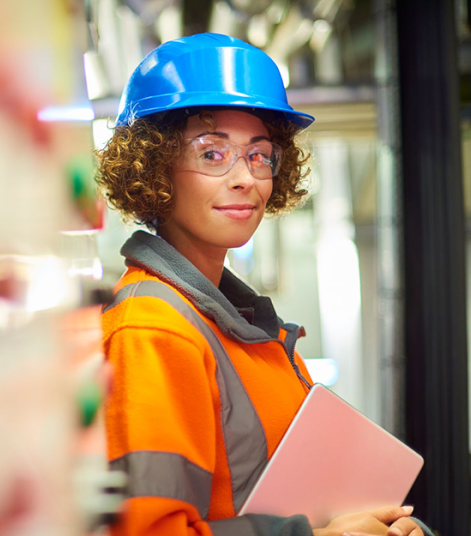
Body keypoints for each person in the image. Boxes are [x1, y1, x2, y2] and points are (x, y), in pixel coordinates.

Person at [95, 33, 433, 536]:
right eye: (212, 154)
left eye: (259, 155)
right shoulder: (153, 331)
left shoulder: (253, 332)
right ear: (154, 167)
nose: (244, 178)